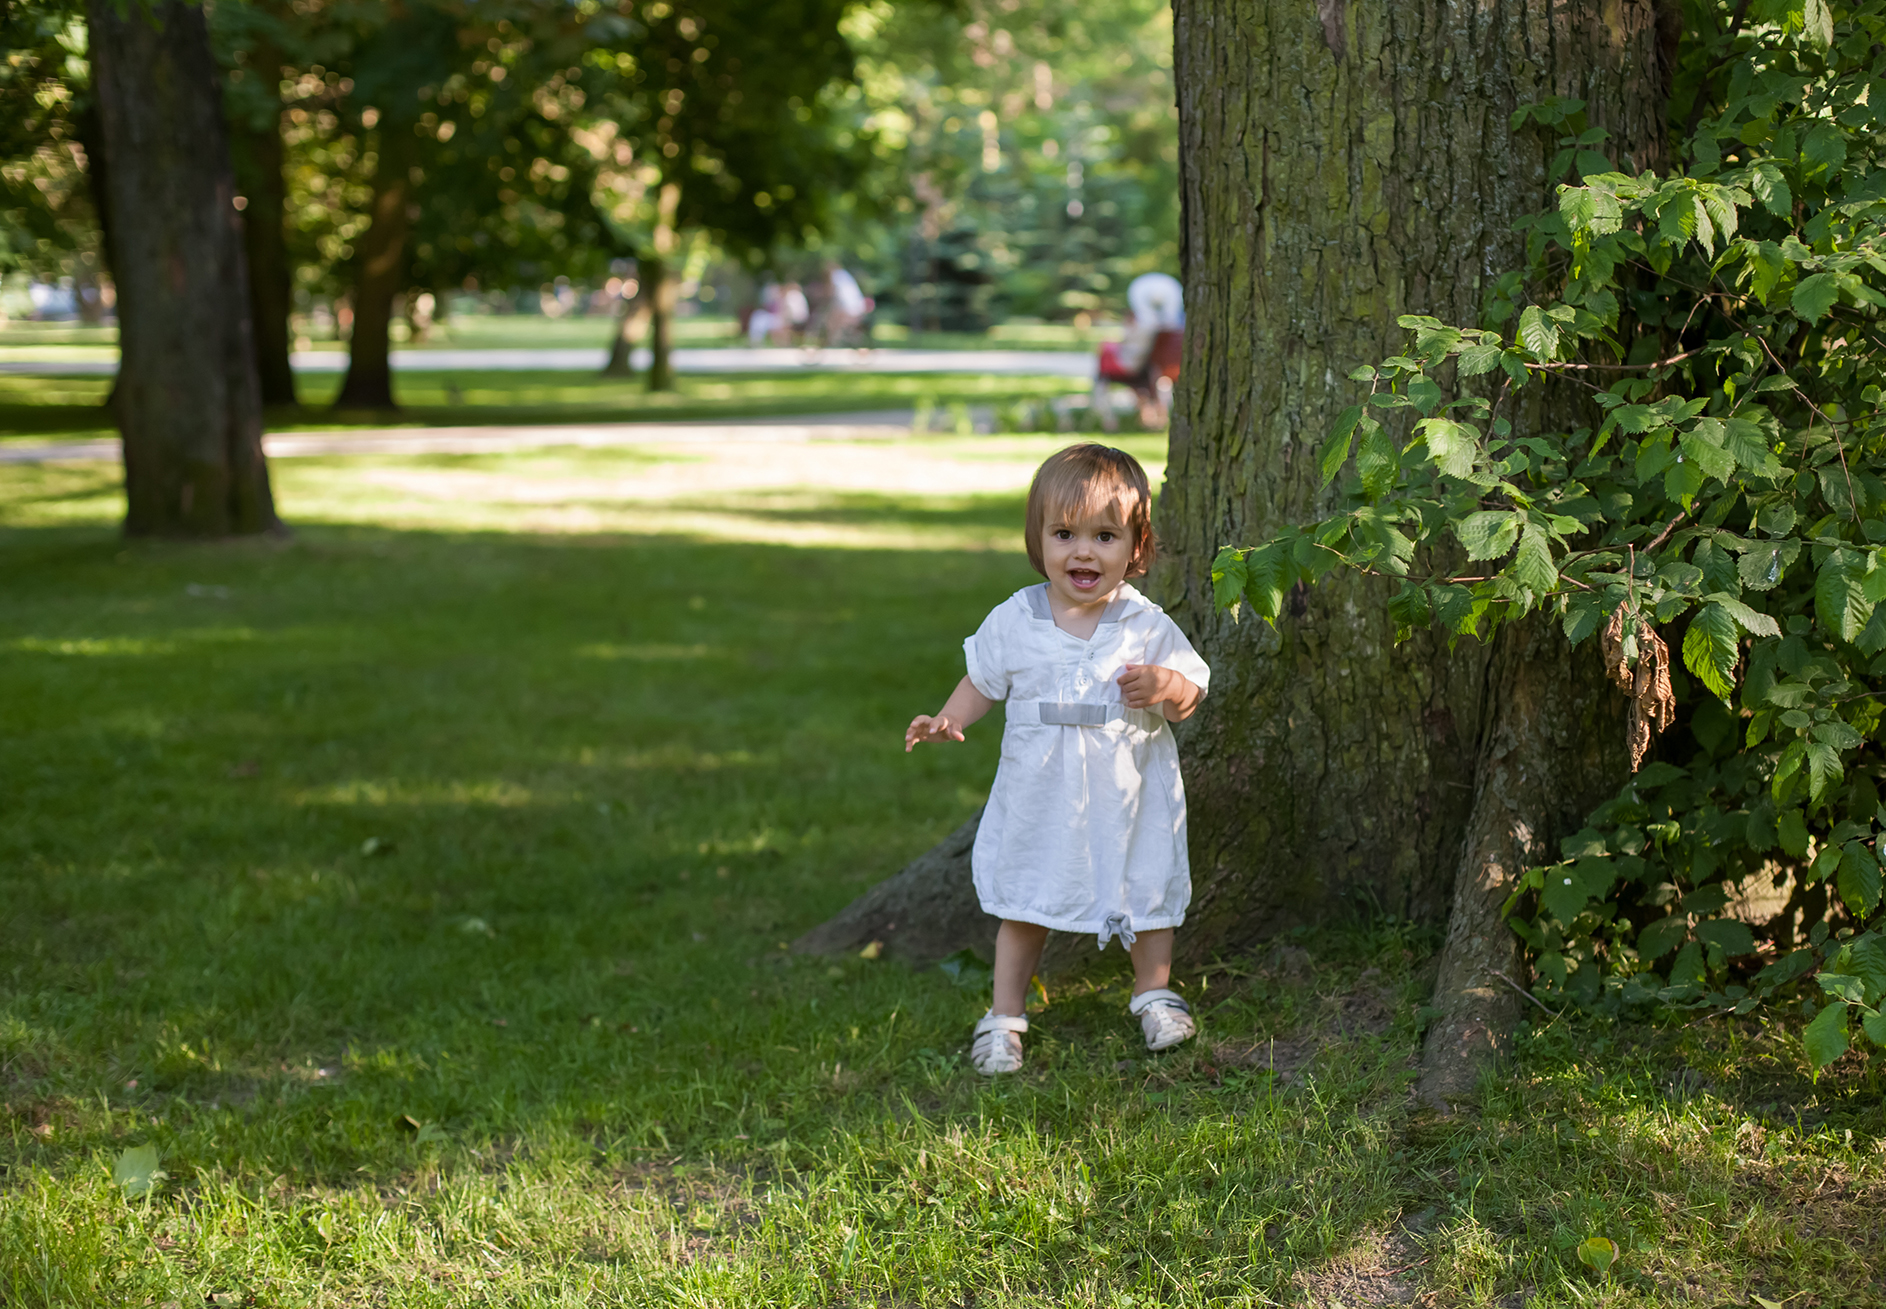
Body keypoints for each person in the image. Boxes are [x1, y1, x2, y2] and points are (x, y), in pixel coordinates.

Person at [903, 443, 1211, 1075]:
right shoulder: (1016, 618)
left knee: (1144, 886)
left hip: (1129, 796)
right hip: (1041, 793)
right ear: (1037, 538)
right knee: (1026, 899)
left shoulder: (1144, 623)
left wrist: (1166, 686)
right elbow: (982, 681)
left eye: (1105, 536)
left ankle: (1153, 993)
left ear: (1136, 546)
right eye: (1065, 534)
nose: (1083, 552)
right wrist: (948, 718)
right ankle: (1004, 1017)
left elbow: (1189, 698)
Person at [1094, 271, 1185, 431]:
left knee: (1104, 351)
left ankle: (1105, 416)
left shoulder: (1145, 330)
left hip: (1137, 366)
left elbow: (1132, 350)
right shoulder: (1173, 327)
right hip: (1152, 366)